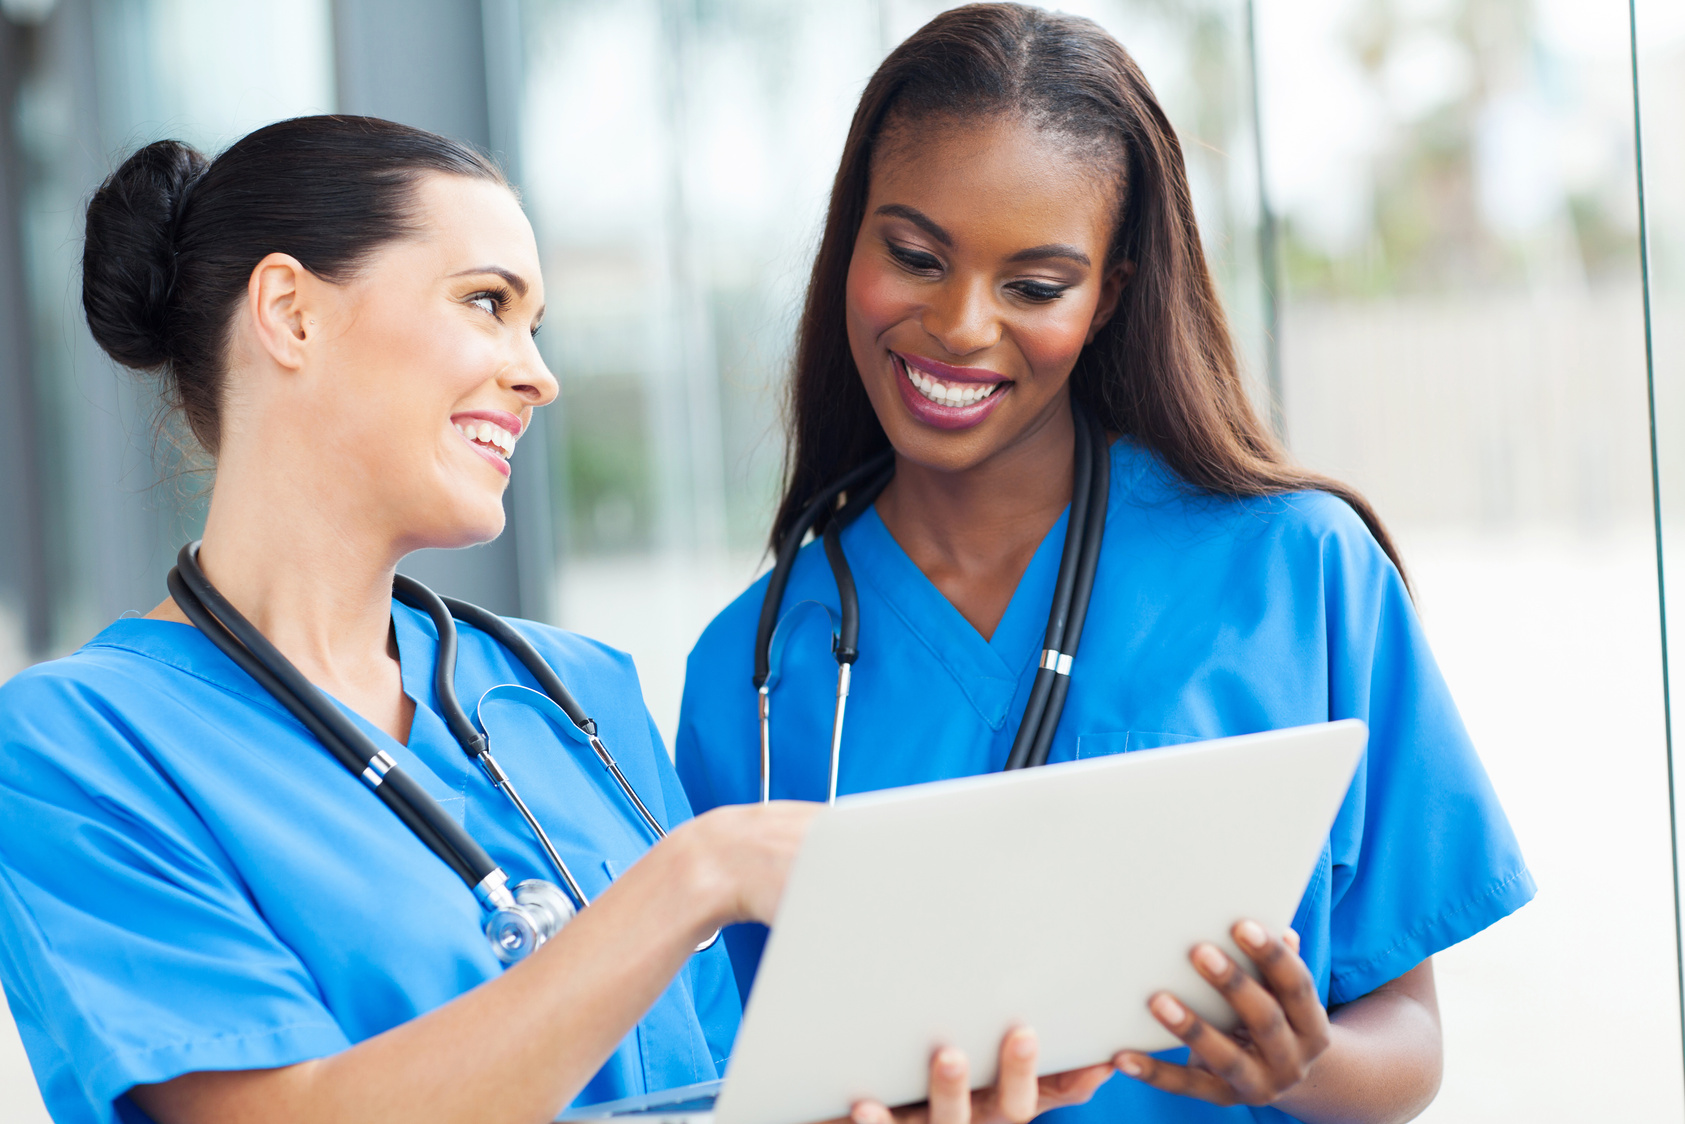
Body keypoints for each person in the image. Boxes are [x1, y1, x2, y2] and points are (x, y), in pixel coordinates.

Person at [0, 115, 1094, 1124]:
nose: (538, 376)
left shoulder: (575, 692)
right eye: (487, 303)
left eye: (536, 324)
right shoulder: (79, 745)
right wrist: (691, 877)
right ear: (292, 312)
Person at [675, 6, 1534, 1124]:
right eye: (913, 255)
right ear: (851, 240)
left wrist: (1295, 1062)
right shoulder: (746, 667)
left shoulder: (1299, 570)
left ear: (1107, 294)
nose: (957, 324)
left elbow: (1407, 1047)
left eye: (1033, 286)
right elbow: (731, 1079)